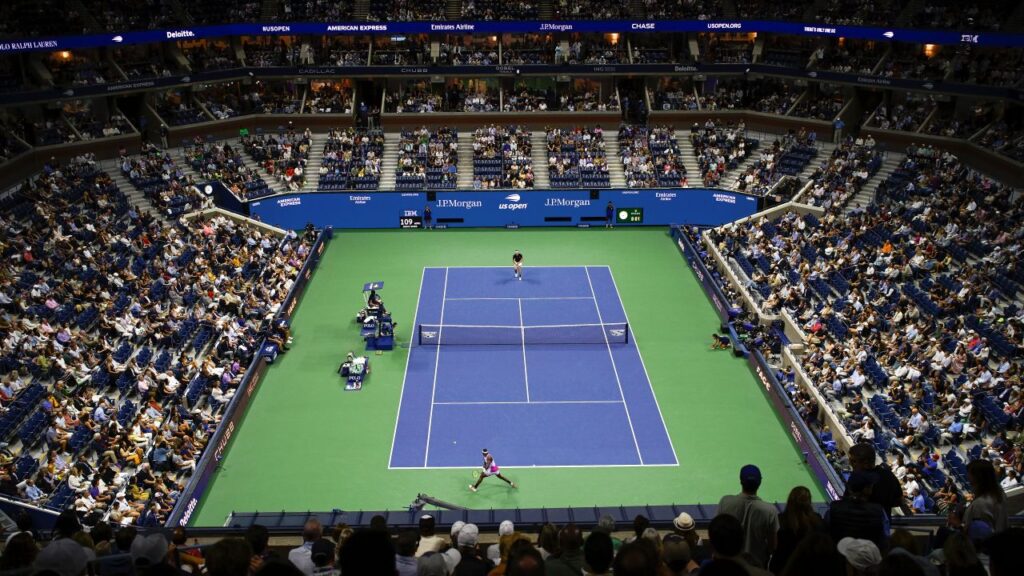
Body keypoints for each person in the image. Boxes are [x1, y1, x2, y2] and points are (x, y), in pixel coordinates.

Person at [716, 464, 779, 569]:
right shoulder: (770, 511)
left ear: (741, 481)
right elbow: (773, 546)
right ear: (760, 483)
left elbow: (716, 534)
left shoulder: (725, 502)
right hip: (756, 567)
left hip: (728, 565)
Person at [769, 486, 823, 574]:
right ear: (809, 502)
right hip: (807, 569)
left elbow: (773, 547)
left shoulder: (780, 520)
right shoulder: (818, 522)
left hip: (781, 567)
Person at [848, 443, 910, 518]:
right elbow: (899, 501)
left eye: (853, 461)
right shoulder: (888, 474)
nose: (850, 463)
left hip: (865, 523)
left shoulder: (856, 477)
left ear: (866, 463)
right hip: (881, 523)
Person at [962, 459, 1008, 532]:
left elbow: (977, 533)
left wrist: (957, 524)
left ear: (977, 477)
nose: (968, 478)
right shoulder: (1000, 493)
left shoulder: (981, 503)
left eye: (970, 474)